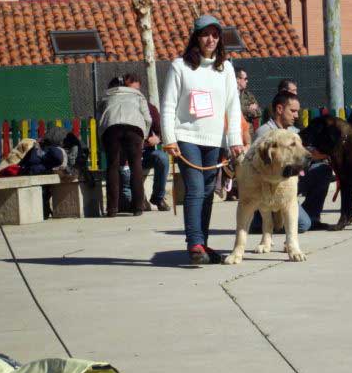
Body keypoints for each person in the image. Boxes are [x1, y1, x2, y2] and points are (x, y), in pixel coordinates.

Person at [161, 14, 244, 265]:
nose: (211, 39)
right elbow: (167, 106)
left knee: (209, 191)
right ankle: (194, 243)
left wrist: (234, 140)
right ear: (196, 37)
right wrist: (169, 139)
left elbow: (233, 106)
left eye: (215, 35)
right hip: (186, 137)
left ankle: (202, 244)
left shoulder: (226, 68)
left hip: (215, 138)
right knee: (196, 188)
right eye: (206, 34)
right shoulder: (180, 66)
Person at [251, 90, 332, 232]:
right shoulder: (265, 134)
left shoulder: (293, 132)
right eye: (293, 111)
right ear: (279, 109)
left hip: (291, 181)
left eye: (297, 111)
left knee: (322, 170)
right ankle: (263, 221)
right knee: (302, 225)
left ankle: (312, 217)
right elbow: (265, 170)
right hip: (271, 187)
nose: (296, 115)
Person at [98, 75, 151, 217]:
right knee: (136, 166)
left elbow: (100, 119)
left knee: (112, 166)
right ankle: (138, 207)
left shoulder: (105, 96)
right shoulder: (138, 96)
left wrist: (102, 138)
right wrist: (143, 135)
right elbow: (147, 118)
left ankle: (112, 209)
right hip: (135, 129)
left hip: (112, 129)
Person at [118, 74, 170, 212]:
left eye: (137, 90)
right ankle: (138, 200)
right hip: (127, 156)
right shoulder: (119, 108)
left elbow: (161, 132)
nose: (135, 94)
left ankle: (158, 197)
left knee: (162, 158)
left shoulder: (149, 108)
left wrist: (158, 138)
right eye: (131, 90)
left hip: (146, 153)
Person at [236, 67, 261, 135]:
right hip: (235, 132)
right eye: (245, 79)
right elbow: (232, 111)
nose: (247, 81)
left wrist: (252, 111)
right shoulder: (230, 94)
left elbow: (259, 112)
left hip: (248, 133)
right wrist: (248, 110)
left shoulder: (249, 95)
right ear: (237, 79)